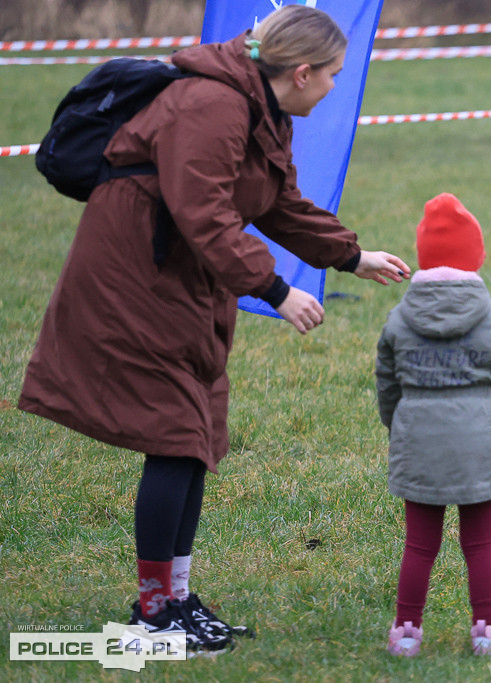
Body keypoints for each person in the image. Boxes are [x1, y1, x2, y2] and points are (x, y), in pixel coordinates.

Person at [17, 4, 410, 655]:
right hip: (134, 274)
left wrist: (349, 255)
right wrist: (277, 289)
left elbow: (278, 203)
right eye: (335, 75)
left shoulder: (264, 109)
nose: (338, 86)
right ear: (304, 72)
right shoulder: (212, 104)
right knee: (174, 431)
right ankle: (152, 612)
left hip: (183, 275)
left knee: (196, 432)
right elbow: (201, 211)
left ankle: (175, 596)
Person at [375, 193, 491, 656]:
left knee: (419, 543)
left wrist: (398, 426)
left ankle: (406, 631)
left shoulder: (399, 319)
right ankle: (487, 629)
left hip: (419, 440)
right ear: (475, 257)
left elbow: (386, 382)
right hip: (480, 444)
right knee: (479, 541)